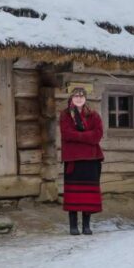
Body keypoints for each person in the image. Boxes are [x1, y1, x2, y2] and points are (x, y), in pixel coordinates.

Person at [59, 86, 104, 235]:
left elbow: (97, 135)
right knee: (73, 194)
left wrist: (78, 136)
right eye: (76, 96)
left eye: (81, 96)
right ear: (71, 98)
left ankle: (86, 225)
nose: (79, 98)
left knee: (88, 195)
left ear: (85, 98)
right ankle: (73, 226)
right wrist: (87, 136)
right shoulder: (65, 115)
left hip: (91, 159)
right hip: (73, 159)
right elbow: (66, 134)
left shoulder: (94, 115)